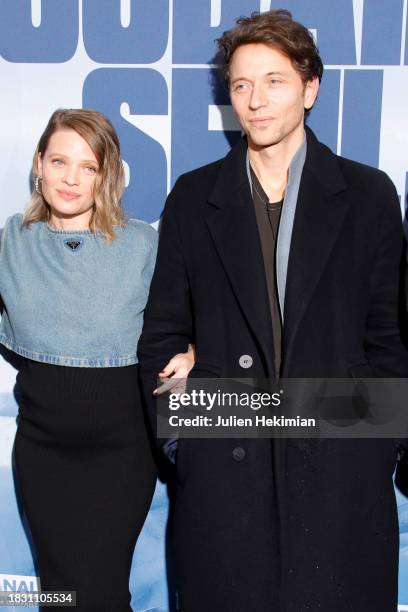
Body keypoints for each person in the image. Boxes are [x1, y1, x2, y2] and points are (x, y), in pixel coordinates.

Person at [138, 10, 408, 612]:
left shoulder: (369, 196)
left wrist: (377, 448)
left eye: (274, 81)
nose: (255, 101)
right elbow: (161, 334)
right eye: (240, 85)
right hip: (225, 484)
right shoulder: (192, 196)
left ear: (310, 88)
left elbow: (389, 340)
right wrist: (189, 441)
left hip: (342, 477)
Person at [0, 108, 194, 611]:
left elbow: (191, 316)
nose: (70, 178)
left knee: (101, 594)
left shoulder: (142, 244)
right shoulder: (12, 240)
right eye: (60, 161)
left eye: (88, 166)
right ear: (39, 163)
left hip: (120, 454)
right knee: (59, 596)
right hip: (42, 452)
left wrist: (193, 351)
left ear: (106, 175)